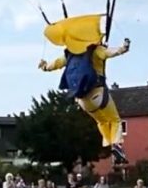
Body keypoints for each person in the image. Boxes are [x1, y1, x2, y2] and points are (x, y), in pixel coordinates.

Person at [38, 14, 131, 165]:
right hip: (98, 93)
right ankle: (117, 146)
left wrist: (44, 66)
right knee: (114, 120)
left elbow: (54, 64)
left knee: (101, 122)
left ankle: (109, 145)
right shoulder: (96, 50)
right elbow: (112, 52)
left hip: (82, 100)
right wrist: (124, 47)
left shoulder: (70, 54)